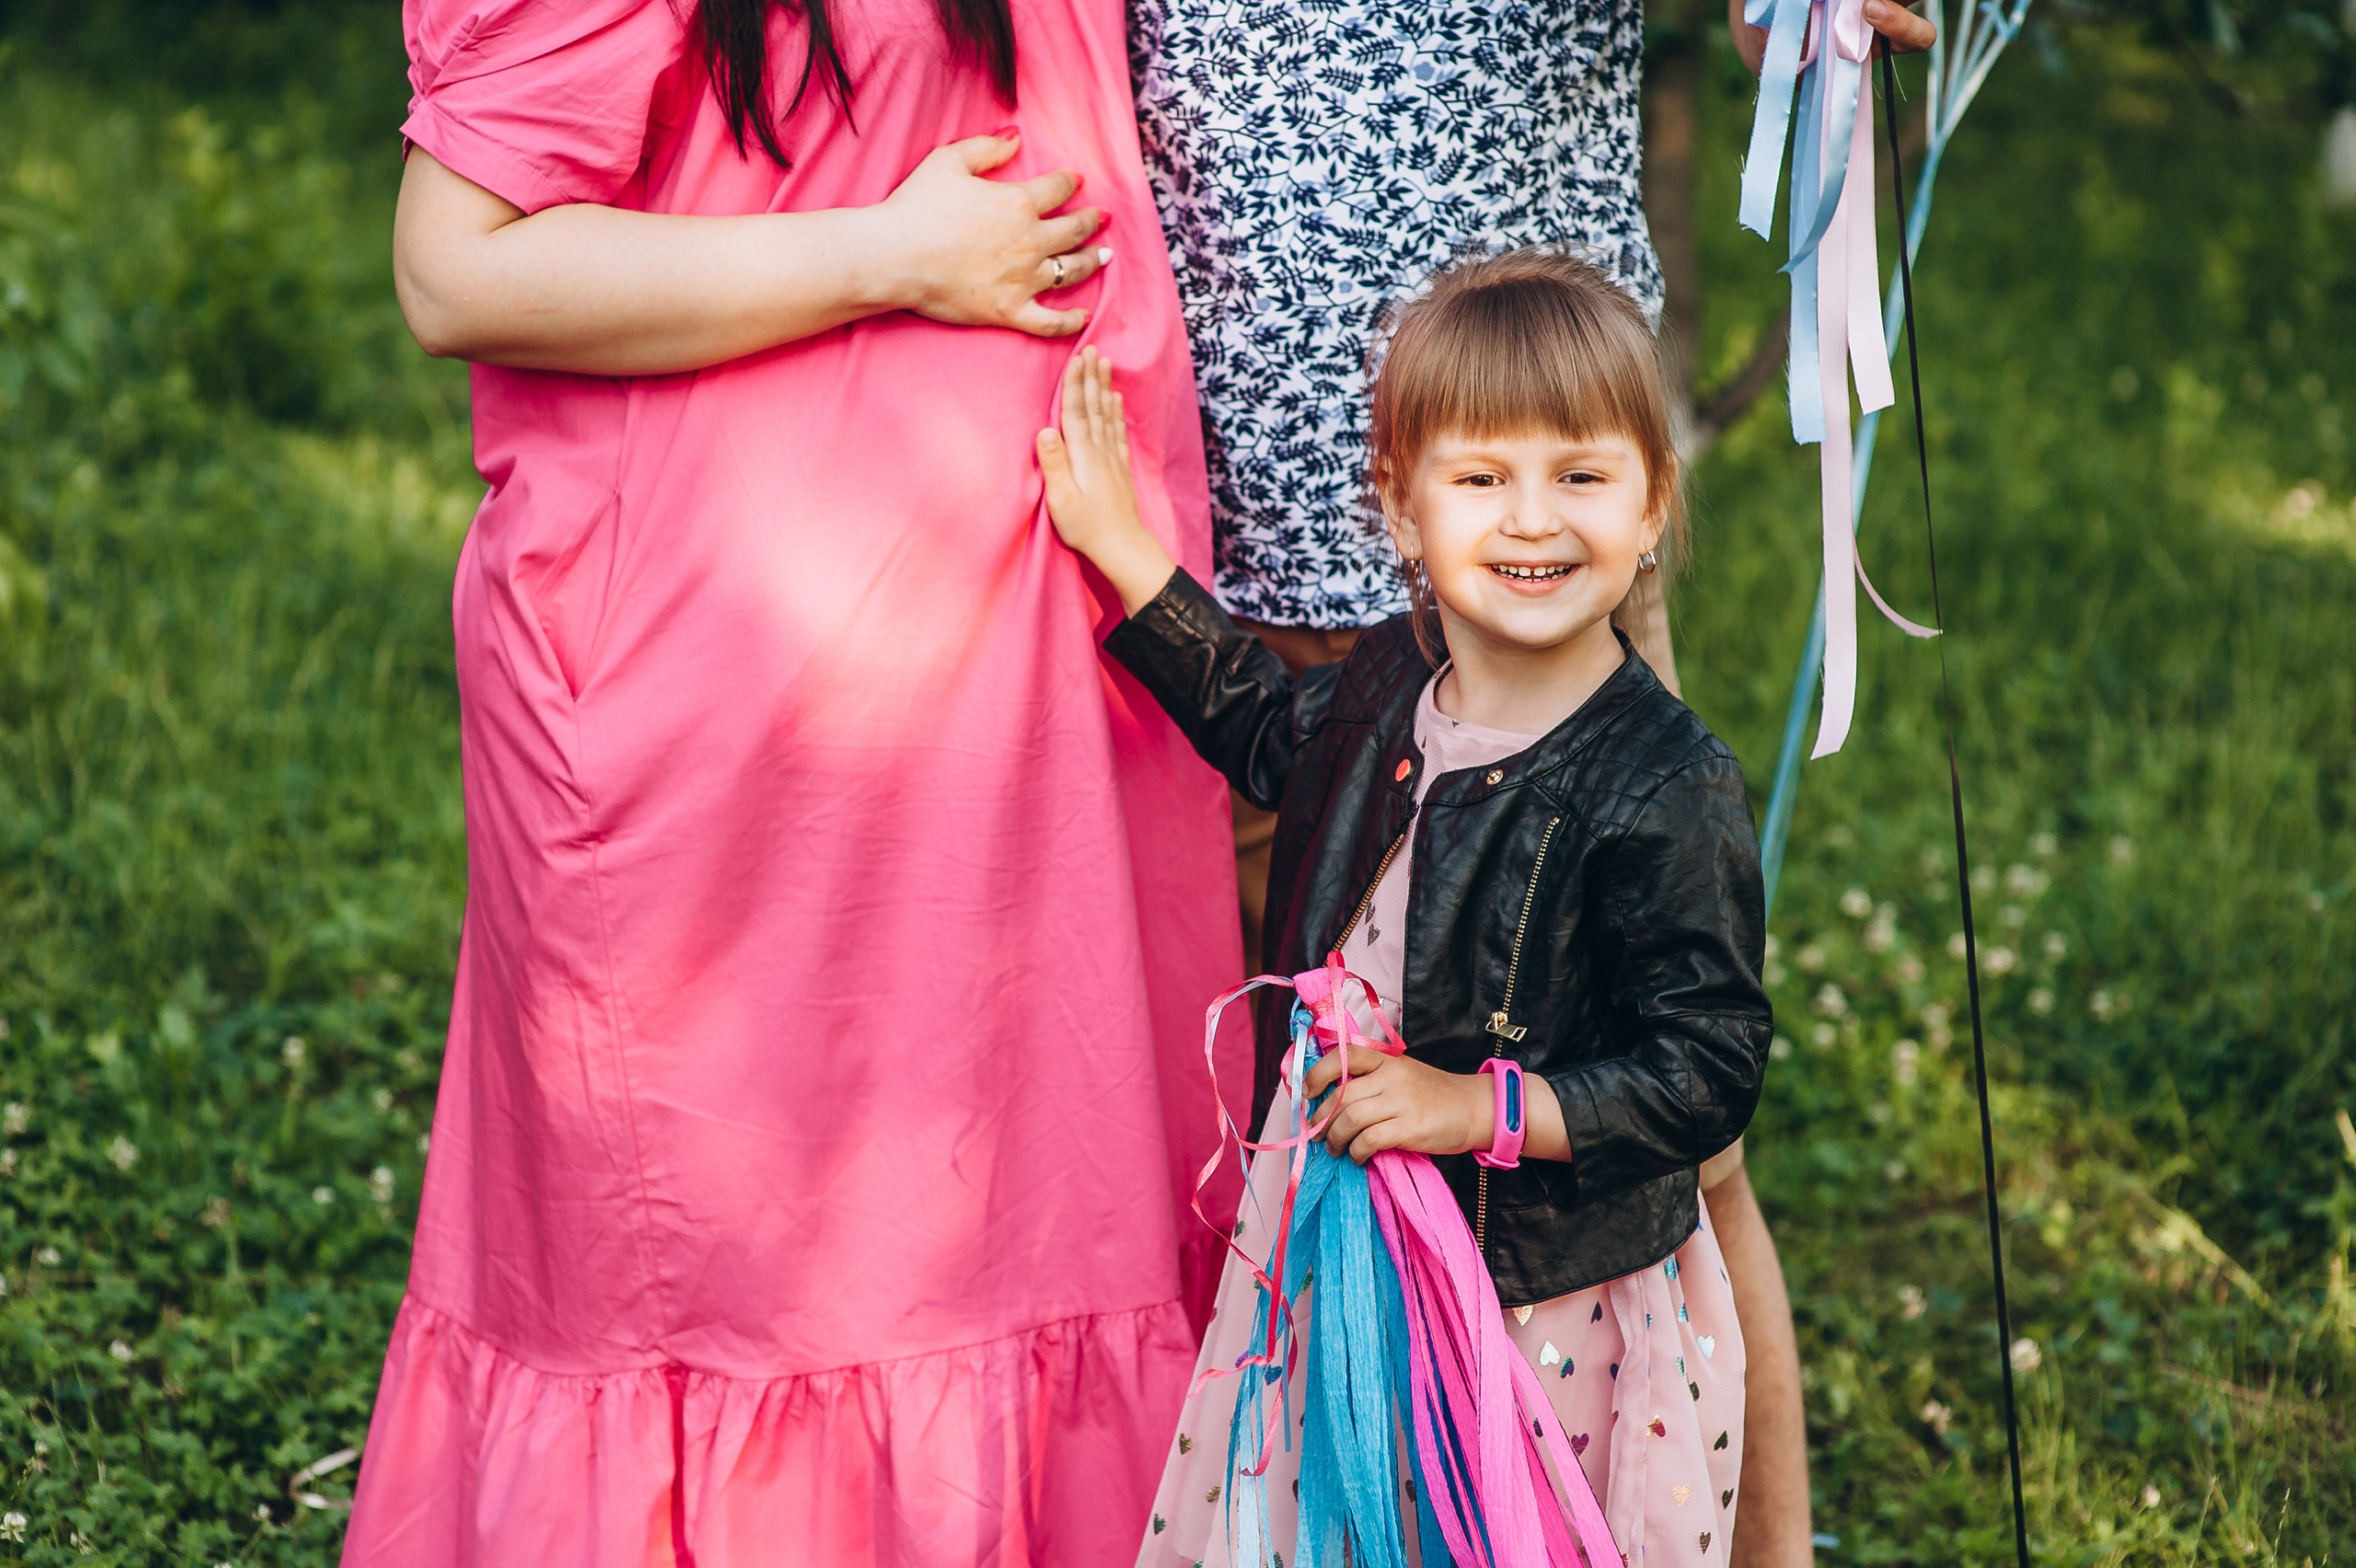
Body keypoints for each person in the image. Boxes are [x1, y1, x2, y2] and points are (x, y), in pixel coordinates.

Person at [345, 1, 1246, 1562]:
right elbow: (455, 266)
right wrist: (888, 256)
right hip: (742, 701)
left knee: (1012, 1237)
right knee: (766, 1283)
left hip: (1014, 677)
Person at [1128, 5, 1937, 1560]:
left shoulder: (1645, 749)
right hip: (1244, 512)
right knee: (1309, 1144)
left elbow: (1696, 1063)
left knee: (1664, 1153)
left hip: (1547, 485)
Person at [1035, 249, 1774, 1565]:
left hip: (1544, 1303)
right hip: (1352, 1252)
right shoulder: (1391, 682)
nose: (1533, 520)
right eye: (1483, 479)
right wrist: (1124, 557)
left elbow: (1704, 1068)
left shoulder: (1665, 780)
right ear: (1401, 505)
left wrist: (1469, 1107)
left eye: (1583, 476)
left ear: (1653, 503)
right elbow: (1269, 730)